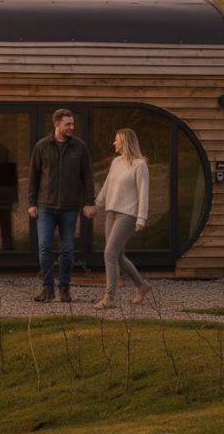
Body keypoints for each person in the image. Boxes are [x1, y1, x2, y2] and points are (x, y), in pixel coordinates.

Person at [27, 109, 95, 303]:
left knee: (67, 249)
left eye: (73, 124)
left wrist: (89, 202)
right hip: (45, 206)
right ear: (57, 124)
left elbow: (87, 177)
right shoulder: (41, 146)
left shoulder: (79, 147)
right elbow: (33, 177)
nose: (72, 127)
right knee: (45, 247)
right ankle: (47, 289)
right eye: (68, 124)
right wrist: (31, 203)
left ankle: (64, 288)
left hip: (70, 208)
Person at [93, 127, 153, 308]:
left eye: (116, 140)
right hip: (111, 213)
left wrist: (141, 218)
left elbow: (143, 193)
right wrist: (96, 205)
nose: (114, 143)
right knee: (118, 256)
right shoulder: (116, 162)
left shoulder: (140, 165)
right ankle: (141, 285)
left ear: (125, 142)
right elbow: (107, 186)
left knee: (109, 254)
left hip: (127, 214)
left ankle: (109, 298)